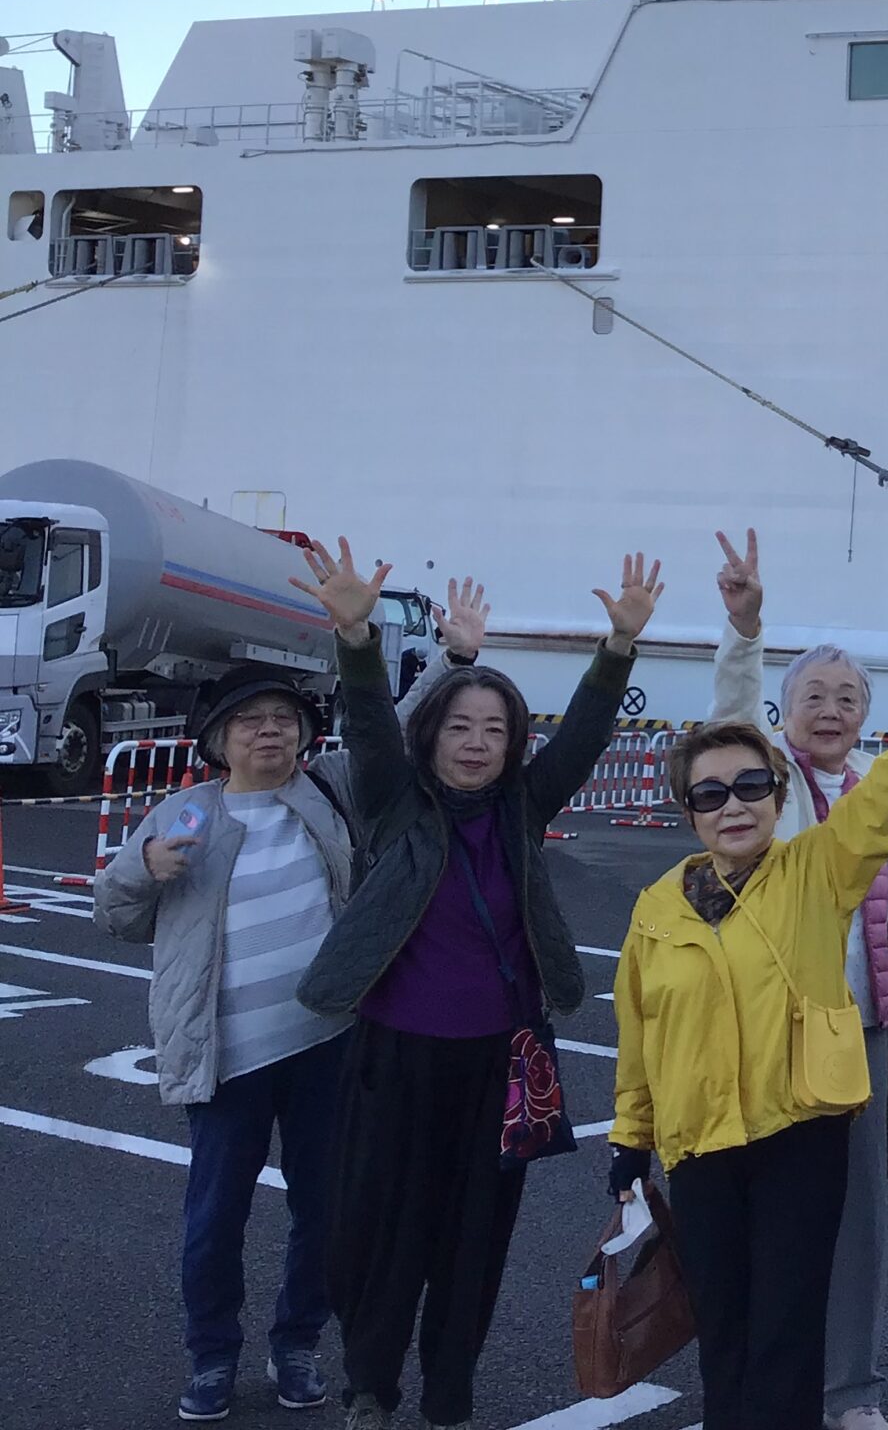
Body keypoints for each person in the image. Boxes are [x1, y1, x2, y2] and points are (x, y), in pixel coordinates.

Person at [607, 628, 888, 1430]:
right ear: (687, 811)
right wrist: (631, 1137)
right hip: (700, 1146)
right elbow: (641, 1029)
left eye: (749, 787)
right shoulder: (657, 908)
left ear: (777, 798)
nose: (732, 805)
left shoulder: (816, 871)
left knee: (787, 1334)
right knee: (723, 1331)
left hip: (798, 1134)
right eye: (709, 794)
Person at [289, 539, 662, 1430]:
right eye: (460, 727)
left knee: (473, 1242)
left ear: (513, 743)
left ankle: (449, 1396)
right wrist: (356, 639)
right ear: (433, 736)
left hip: (501, 1064)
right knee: (378, 1234)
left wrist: (618, 648)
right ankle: (370, 1387)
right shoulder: (394, 802)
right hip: (394, 1057)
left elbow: (584, 737)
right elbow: (369, 725)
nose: (477, 744)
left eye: (495, 730)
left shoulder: (522, 809)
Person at [706, 528, 888, 1430]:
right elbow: (730, 718)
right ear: (786, 708)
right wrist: (745, 631)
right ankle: (760, 1383)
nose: (831, 709)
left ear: (866, 715)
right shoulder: (764, 778)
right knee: (760, 1210)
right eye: (813, 695)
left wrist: (882, 937)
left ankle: (851, 1391)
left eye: (848, 697)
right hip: (768, 1027)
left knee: (857, 1223)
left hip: (861, 1025)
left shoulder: (873, 785)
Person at [96, 666, 360, 1423]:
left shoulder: (329, 793)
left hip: (327, 1043)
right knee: (215, 1218)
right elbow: (112, 915)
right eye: (250, 720)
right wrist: (144, 867)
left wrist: (454, 661)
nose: (269, 730)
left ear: (305, 734)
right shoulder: (185, 813)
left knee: (325, 1211)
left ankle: (297, 1344)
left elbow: (395, 724)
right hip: (224, 1052)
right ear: (218, 740)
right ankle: (211, 1355)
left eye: (283, 718)